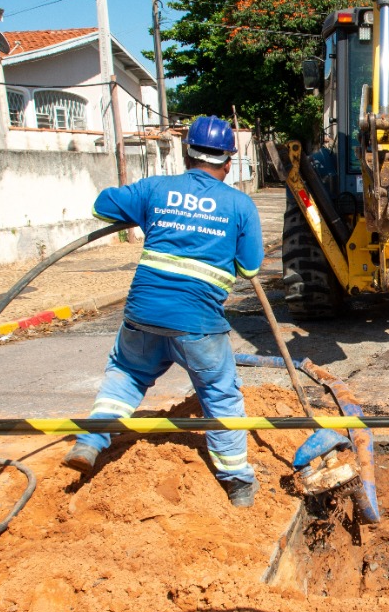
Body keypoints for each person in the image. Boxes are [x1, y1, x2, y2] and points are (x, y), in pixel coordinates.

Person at [62, 116, 265, 506]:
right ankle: (238, 482)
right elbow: (251, 267)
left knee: (126, 374)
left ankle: (90, 441)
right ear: (228, 162)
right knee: (221, 396)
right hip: (199, 323)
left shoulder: (158, 188)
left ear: (187, 153)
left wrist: (151, 210)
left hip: (143, 314)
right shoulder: (239, 204)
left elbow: (103, 206)